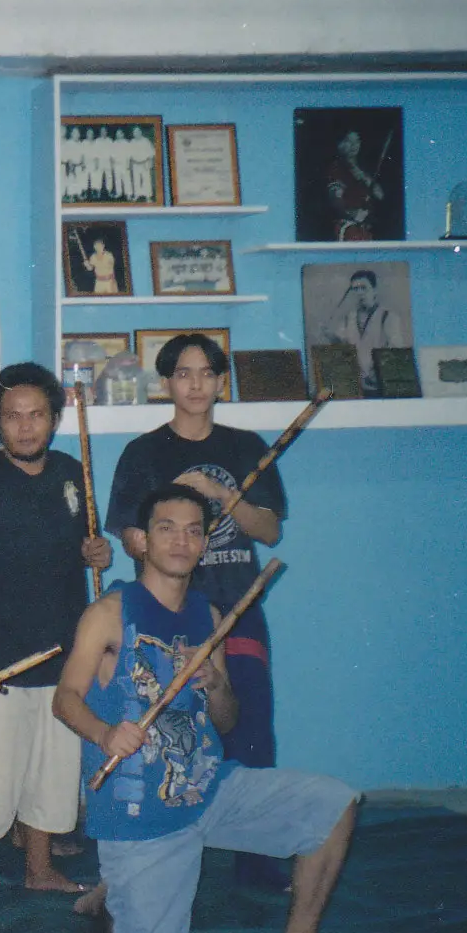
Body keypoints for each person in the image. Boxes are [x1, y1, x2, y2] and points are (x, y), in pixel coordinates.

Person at [52, 485, 376, 933]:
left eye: (193, 531)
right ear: (141, 540)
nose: (181, 541)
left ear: (204, 544)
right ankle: (117, 889)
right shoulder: (110, 614)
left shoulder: (209, 618)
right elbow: (65, 698)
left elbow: (224, 721)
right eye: (166, 529)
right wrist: (104, 733)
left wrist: (216, 684)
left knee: (335, 805)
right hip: (142, 816)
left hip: (209, 788)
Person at [104, 333, 289, 888]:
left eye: (207, 373)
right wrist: (171, 524)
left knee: (249, 726)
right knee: (167, 732)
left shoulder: (245, 446)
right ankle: (153, 849)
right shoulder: (143, 453)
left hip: (237, 606)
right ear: (166, 383)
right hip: (168, 614)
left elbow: (270, 530)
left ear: (221, 381)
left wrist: (219, 494)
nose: (195, 384)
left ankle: (258, 862)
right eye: (183, 374)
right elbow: (131, 539)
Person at [0, 363, 112, 923]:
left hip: (64, 656)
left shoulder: (72, 474)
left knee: (52, 772)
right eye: (13, 416)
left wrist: (98, 553)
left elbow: (90, 547)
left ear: (54, 419)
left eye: (36, 415)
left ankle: (39, 867)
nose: (26, 426)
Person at [320, 269, 401, 396]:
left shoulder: (388, 316)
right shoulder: (349, 318)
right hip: (355, 386)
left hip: (380, 386)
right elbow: (342, 347)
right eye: (355, 289)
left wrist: (378, 371)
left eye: (364, 288)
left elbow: (396, 352)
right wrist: (330, 336)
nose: (359, 293)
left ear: (375, 290)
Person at [326, 130, 385, 242]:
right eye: (349, 141)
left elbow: (380, 195)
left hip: (364, 230)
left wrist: (364, 177)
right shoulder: (337, 169)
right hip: (347, 229)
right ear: (340, 145)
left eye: (357, 141)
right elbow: (335, 198)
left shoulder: (363, 169)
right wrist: (352, 214)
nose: (354, 145)